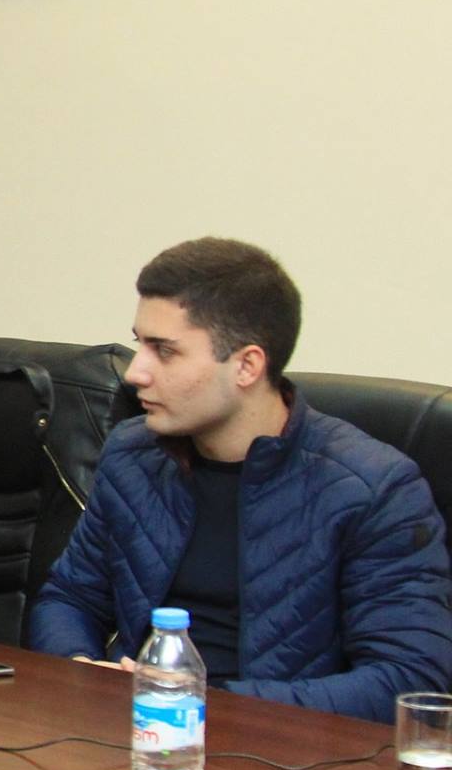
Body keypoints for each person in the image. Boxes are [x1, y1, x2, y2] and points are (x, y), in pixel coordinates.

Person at [29, 238, 452, 723]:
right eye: (139, 344)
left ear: (247, 366)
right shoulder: (133, 454)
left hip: (284, 752)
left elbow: (408, 679)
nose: (135, 373)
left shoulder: (373, 488)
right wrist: (82, 670)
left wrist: (199, 698)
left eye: (164, 351)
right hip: (135, 736)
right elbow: (70, 598)